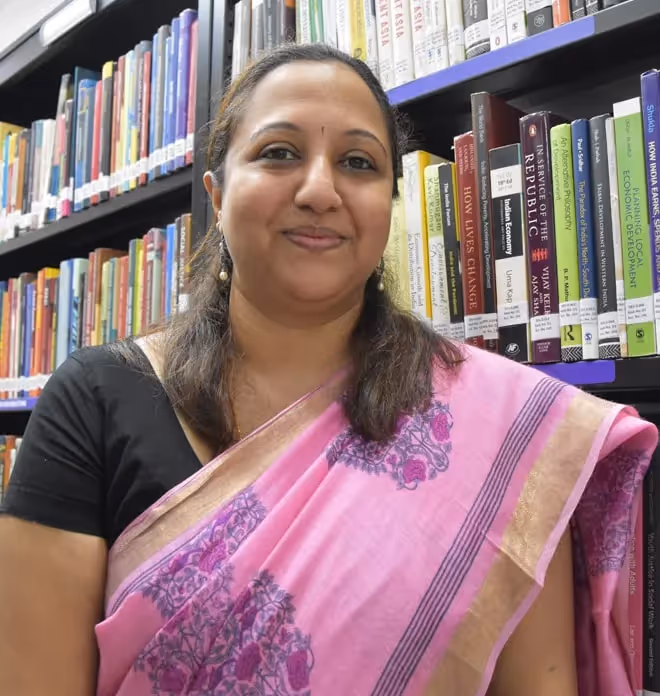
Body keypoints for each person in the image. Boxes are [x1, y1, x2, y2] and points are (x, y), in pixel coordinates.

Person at [0, 43, 655, 696]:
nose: (319, 190)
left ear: (388, 205)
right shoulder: (93, 402)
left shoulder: (504, 431)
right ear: (217, 195)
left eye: (358, 163)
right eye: (278, 152)